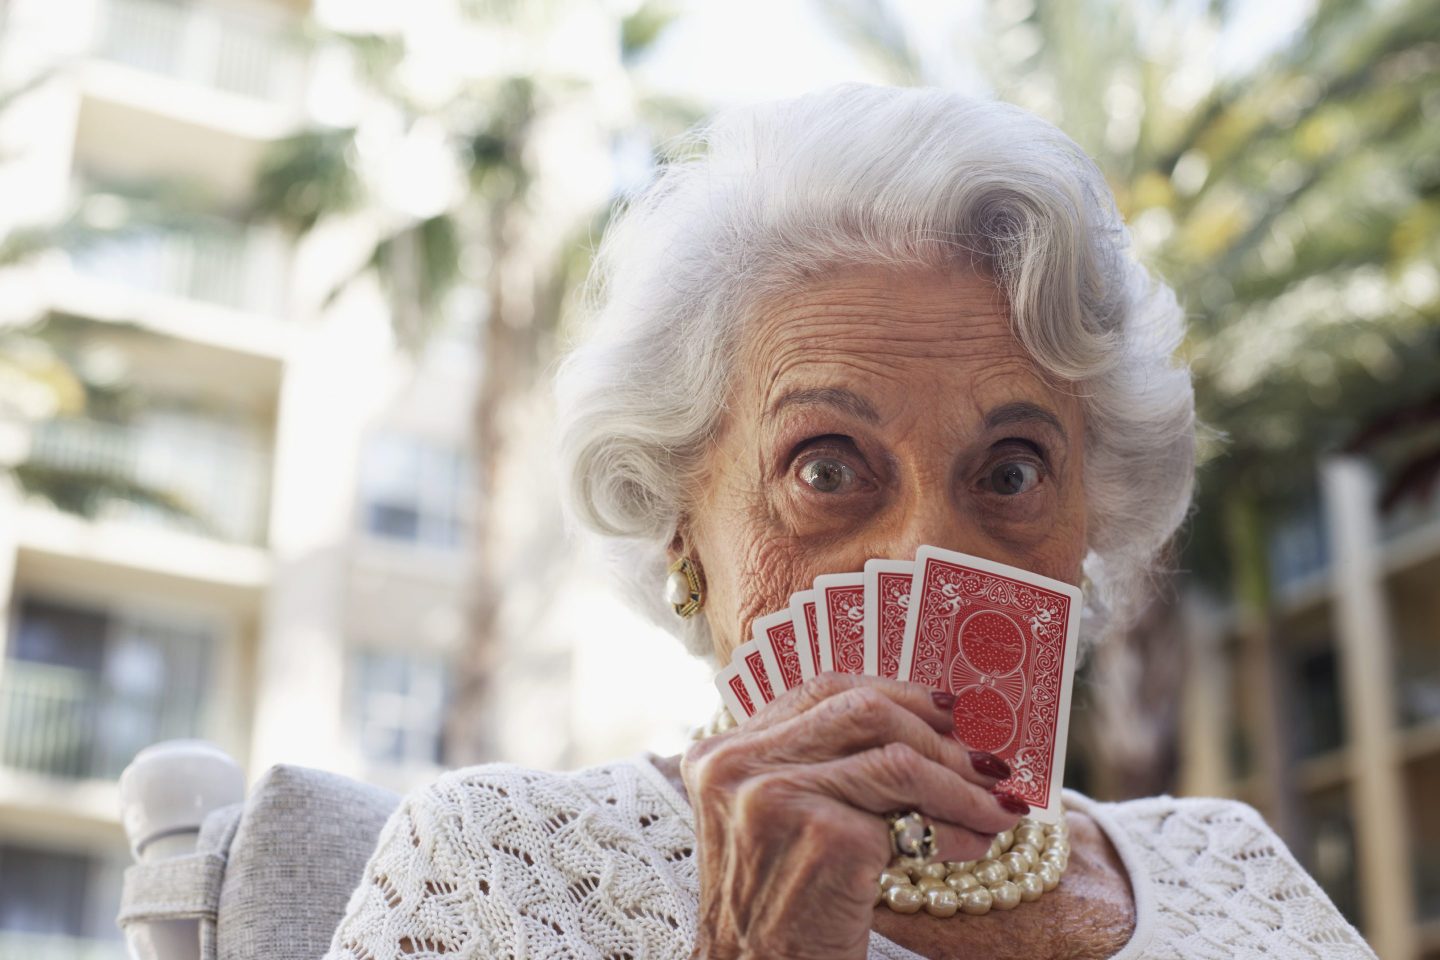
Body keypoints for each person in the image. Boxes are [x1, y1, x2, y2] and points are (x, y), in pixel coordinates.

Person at [324, 85, 1374, 960]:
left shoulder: (1230, 869)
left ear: (1088, 526)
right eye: (826, 468)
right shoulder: (502, 867)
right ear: (681, 529)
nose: (928, 554)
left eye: (1011, 473)